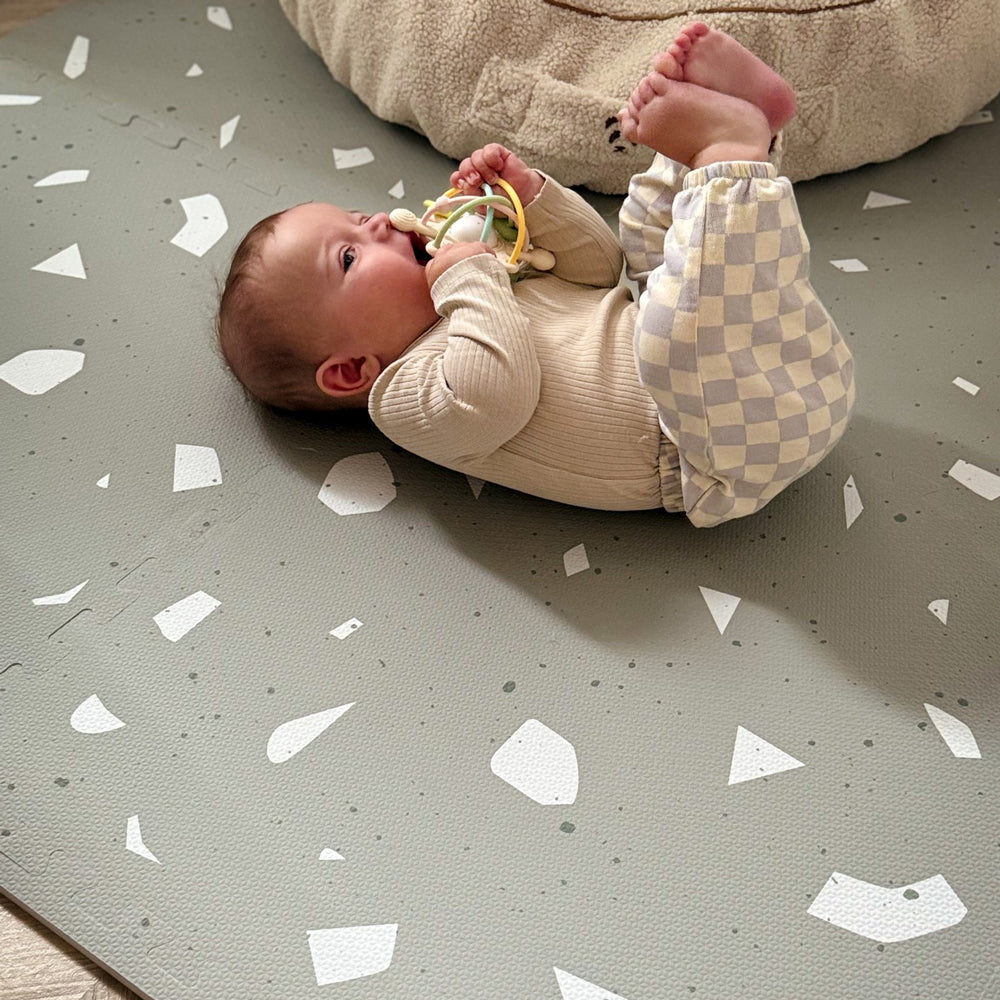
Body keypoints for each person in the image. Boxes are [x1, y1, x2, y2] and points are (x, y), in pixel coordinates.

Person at [216, 22, 854, 527]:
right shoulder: (406, 396)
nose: (380, 222)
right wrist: (470, 280)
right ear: (351, 370)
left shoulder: (481, 289)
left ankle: (725, 133)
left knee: (644, 245)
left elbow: (599, 272)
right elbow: (496, 398)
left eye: (358, 218)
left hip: (741, 370)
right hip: (712, 443)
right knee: (672, 330)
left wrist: (532, 201)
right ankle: (730, 152)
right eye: (349, 257)